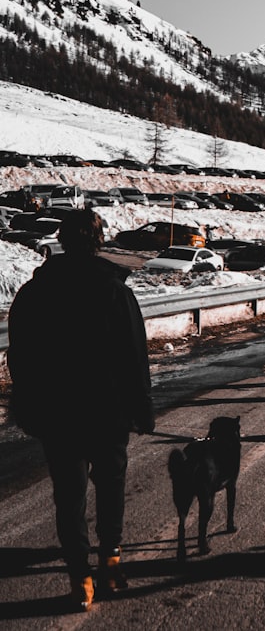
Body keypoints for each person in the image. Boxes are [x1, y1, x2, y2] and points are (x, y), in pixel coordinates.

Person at [7, 208, 154, 612]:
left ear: (61, 239)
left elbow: (19, 355)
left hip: (58, 415)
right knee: (110, 487)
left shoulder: (35, 292)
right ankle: (110, 564)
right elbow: (133, 356)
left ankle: (80, 581)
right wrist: (142, 408)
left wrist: (28, 404)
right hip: (108, 413)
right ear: (98, 241)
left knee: (68, 497)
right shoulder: (114, 290)